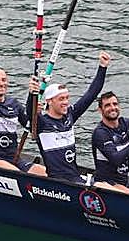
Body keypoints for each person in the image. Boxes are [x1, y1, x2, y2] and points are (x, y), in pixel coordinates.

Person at [34, 52, 109, 183]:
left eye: (67, 98)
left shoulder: (70, 115)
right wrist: (32, 94)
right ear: (50, 101)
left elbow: (92, 94)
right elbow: (31, 112)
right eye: (61, 99)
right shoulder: (41, 122)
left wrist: (102, 67)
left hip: (75, 177)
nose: (65, 102)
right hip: (58, 181)